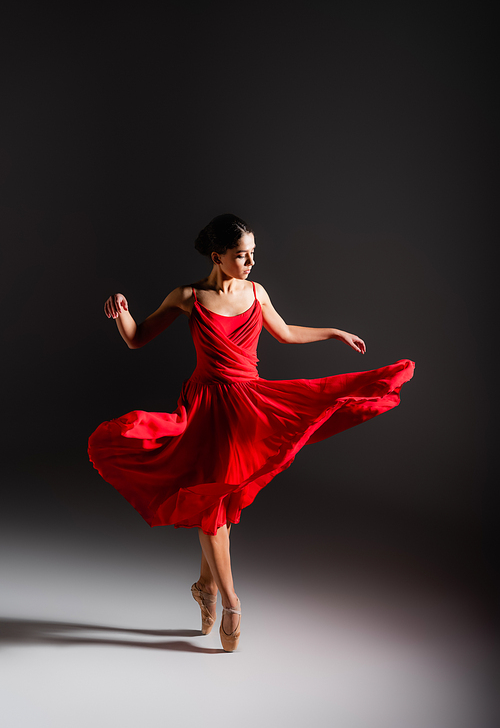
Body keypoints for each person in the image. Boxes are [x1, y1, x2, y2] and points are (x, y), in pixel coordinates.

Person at [89, 213, 414, 652]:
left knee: (218, 501)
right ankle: (231, 602)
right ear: (217, 255)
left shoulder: (256, 293)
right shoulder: (189, 296)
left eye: (253, 255)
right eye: (242, 255)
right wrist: (122, 312)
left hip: (246, 406)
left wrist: (334, 332)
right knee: (212, 506)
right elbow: (136, 338)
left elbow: (285, 333)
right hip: (204, 407)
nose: (250, 262)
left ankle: (205, 587)